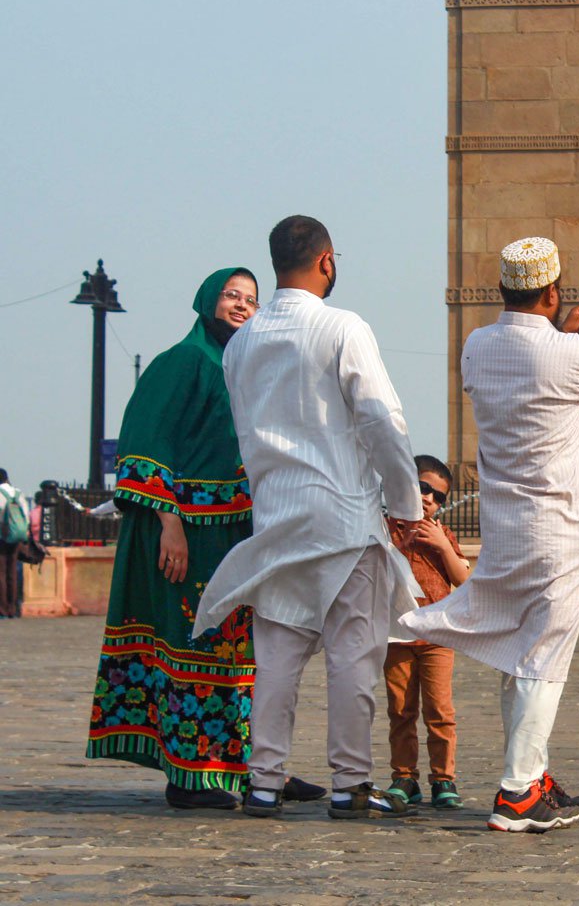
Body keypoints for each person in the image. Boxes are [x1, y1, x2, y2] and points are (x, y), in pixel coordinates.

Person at [401, 236, 579, 833]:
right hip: (562, 531)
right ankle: (516, 793)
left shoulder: (477, 346)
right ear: (553, 291)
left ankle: (532, 775)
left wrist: (564, 334)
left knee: (520, 656)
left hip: (508, 529)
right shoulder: (568, 352)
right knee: (544, 659)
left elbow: (535, 371)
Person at [192, 216, 424, 821]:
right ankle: (350, 784)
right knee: (353, 655)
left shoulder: (240, 343)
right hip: (343, 514)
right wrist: (406, 505)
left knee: (275, 658)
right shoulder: (342, 327)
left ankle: (263, 783)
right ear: (327, 261)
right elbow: (381, 420)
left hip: (275, 517)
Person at [86, 269, 326, 810]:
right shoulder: (183, 362)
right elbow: (146, 445)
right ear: (207, 300)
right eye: (231, 296)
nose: (242, 305)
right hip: (188, 538)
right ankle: (192, 776)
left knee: (246, 654)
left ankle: (251, 768)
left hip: (238, 535)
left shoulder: (246, 365)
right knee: (194, 644)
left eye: (251, 299)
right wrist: (170, 524)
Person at [383, 455, 471, 810]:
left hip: (437, 635)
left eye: (438, 496)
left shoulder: (442, 533)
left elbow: (463, 580)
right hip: (398, 633)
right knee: (401, 709)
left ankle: (443, 778)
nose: (428, 499)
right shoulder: (385, 528)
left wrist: (443, 545)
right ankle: (404, 776)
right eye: (422, 488)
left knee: (439, 709)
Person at [0, 469, 29, 618]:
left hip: (2, 538)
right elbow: (26, 515)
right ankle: (13, 609)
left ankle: (3, 610)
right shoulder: (17, 493)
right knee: (12, 572)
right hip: (17, 536)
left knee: (1, 574)